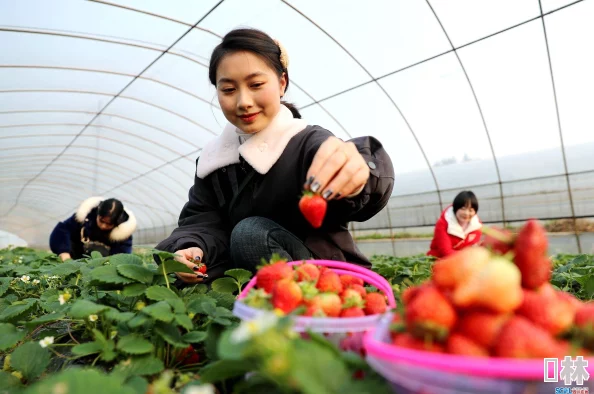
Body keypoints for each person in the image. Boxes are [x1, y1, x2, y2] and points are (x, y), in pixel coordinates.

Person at [155, 28, 395, 285]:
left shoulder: (306, 142)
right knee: (178, 276)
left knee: (249, 234)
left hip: (324, 276)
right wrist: (191, 246)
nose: (244, 101)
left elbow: (354, 175)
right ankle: (250, 301)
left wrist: (361, 168)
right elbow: (202, 220)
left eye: (256, 84)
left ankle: (307, 311)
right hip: (256, 273)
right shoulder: (214, 162)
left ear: (282, 83)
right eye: (228, 89)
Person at [49, 197, 136, 260]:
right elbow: (62, 230)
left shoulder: (123, 233)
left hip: (101, 263)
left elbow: (122, 256)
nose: (103, 226)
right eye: (101, 221)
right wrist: (64, 252)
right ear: (97, 214)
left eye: (109, 224)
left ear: (118, 222)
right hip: (75, 256)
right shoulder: (86, 217)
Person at [427, 190, 482, 258]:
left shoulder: (476, 226)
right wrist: (468, 257)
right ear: (455, 208)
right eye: (463, 209)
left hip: (462, 262)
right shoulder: (443, 224)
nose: (466, 213)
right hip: (438, 259)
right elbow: (445, 252)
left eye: (470, 210)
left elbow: (473, 248)